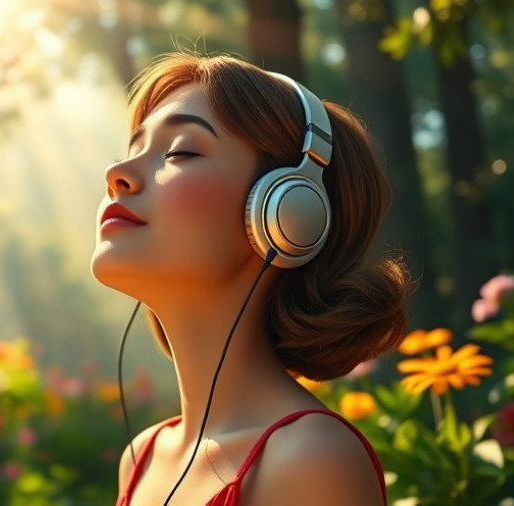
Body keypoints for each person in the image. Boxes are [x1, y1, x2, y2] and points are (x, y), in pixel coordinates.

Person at [90, 52, 409, 506]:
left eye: (180, 150)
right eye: (132, 151)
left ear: (287, 213)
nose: (116, 175)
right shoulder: (141, 457)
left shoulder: (313, 460)